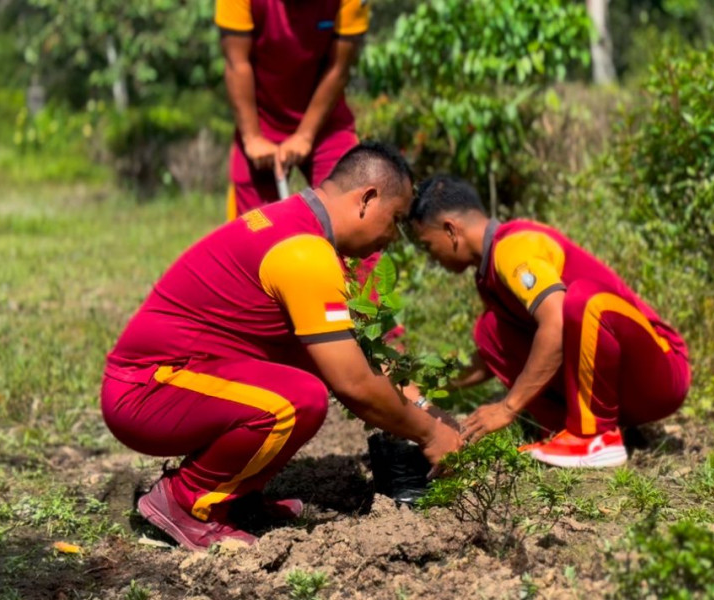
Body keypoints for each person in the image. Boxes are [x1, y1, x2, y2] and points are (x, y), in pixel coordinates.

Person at [101, 144, 461, 551]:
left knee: (308, 370)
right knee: (297, 398)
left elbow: (361, 356)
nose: (390, 239)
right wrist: (430, 435)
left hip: (182, 377)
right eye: (394, 222)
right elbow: (355, 383)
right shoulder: (305, 253)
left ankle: (233, 496)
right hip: (146, 390)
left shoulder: (294, 224)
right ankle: (186, 503)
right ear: (367, 199)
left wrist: (431, 411)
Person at [408, 175, 691, 468]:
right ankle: (564, 430)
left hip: (659, 374)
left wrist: (507, 408)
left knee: (581, 300)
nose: (432, 259)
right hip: (618, 388)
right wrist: (425, 385)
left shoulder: (512, 248)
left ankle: (594, 436)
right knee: (490, 330)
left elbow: (555, 322)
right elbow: (493, 356)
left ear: (451, 230)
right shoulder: (487, 275)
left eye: (428, 246)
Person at [216, 0, 369, 220]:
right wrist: (252, 138)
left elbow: (339, 68)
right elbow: (236, 63)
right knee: (252, 234)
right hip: (260, 122)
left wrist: (305, 135)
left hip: (325, 121)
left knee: (353, 216)